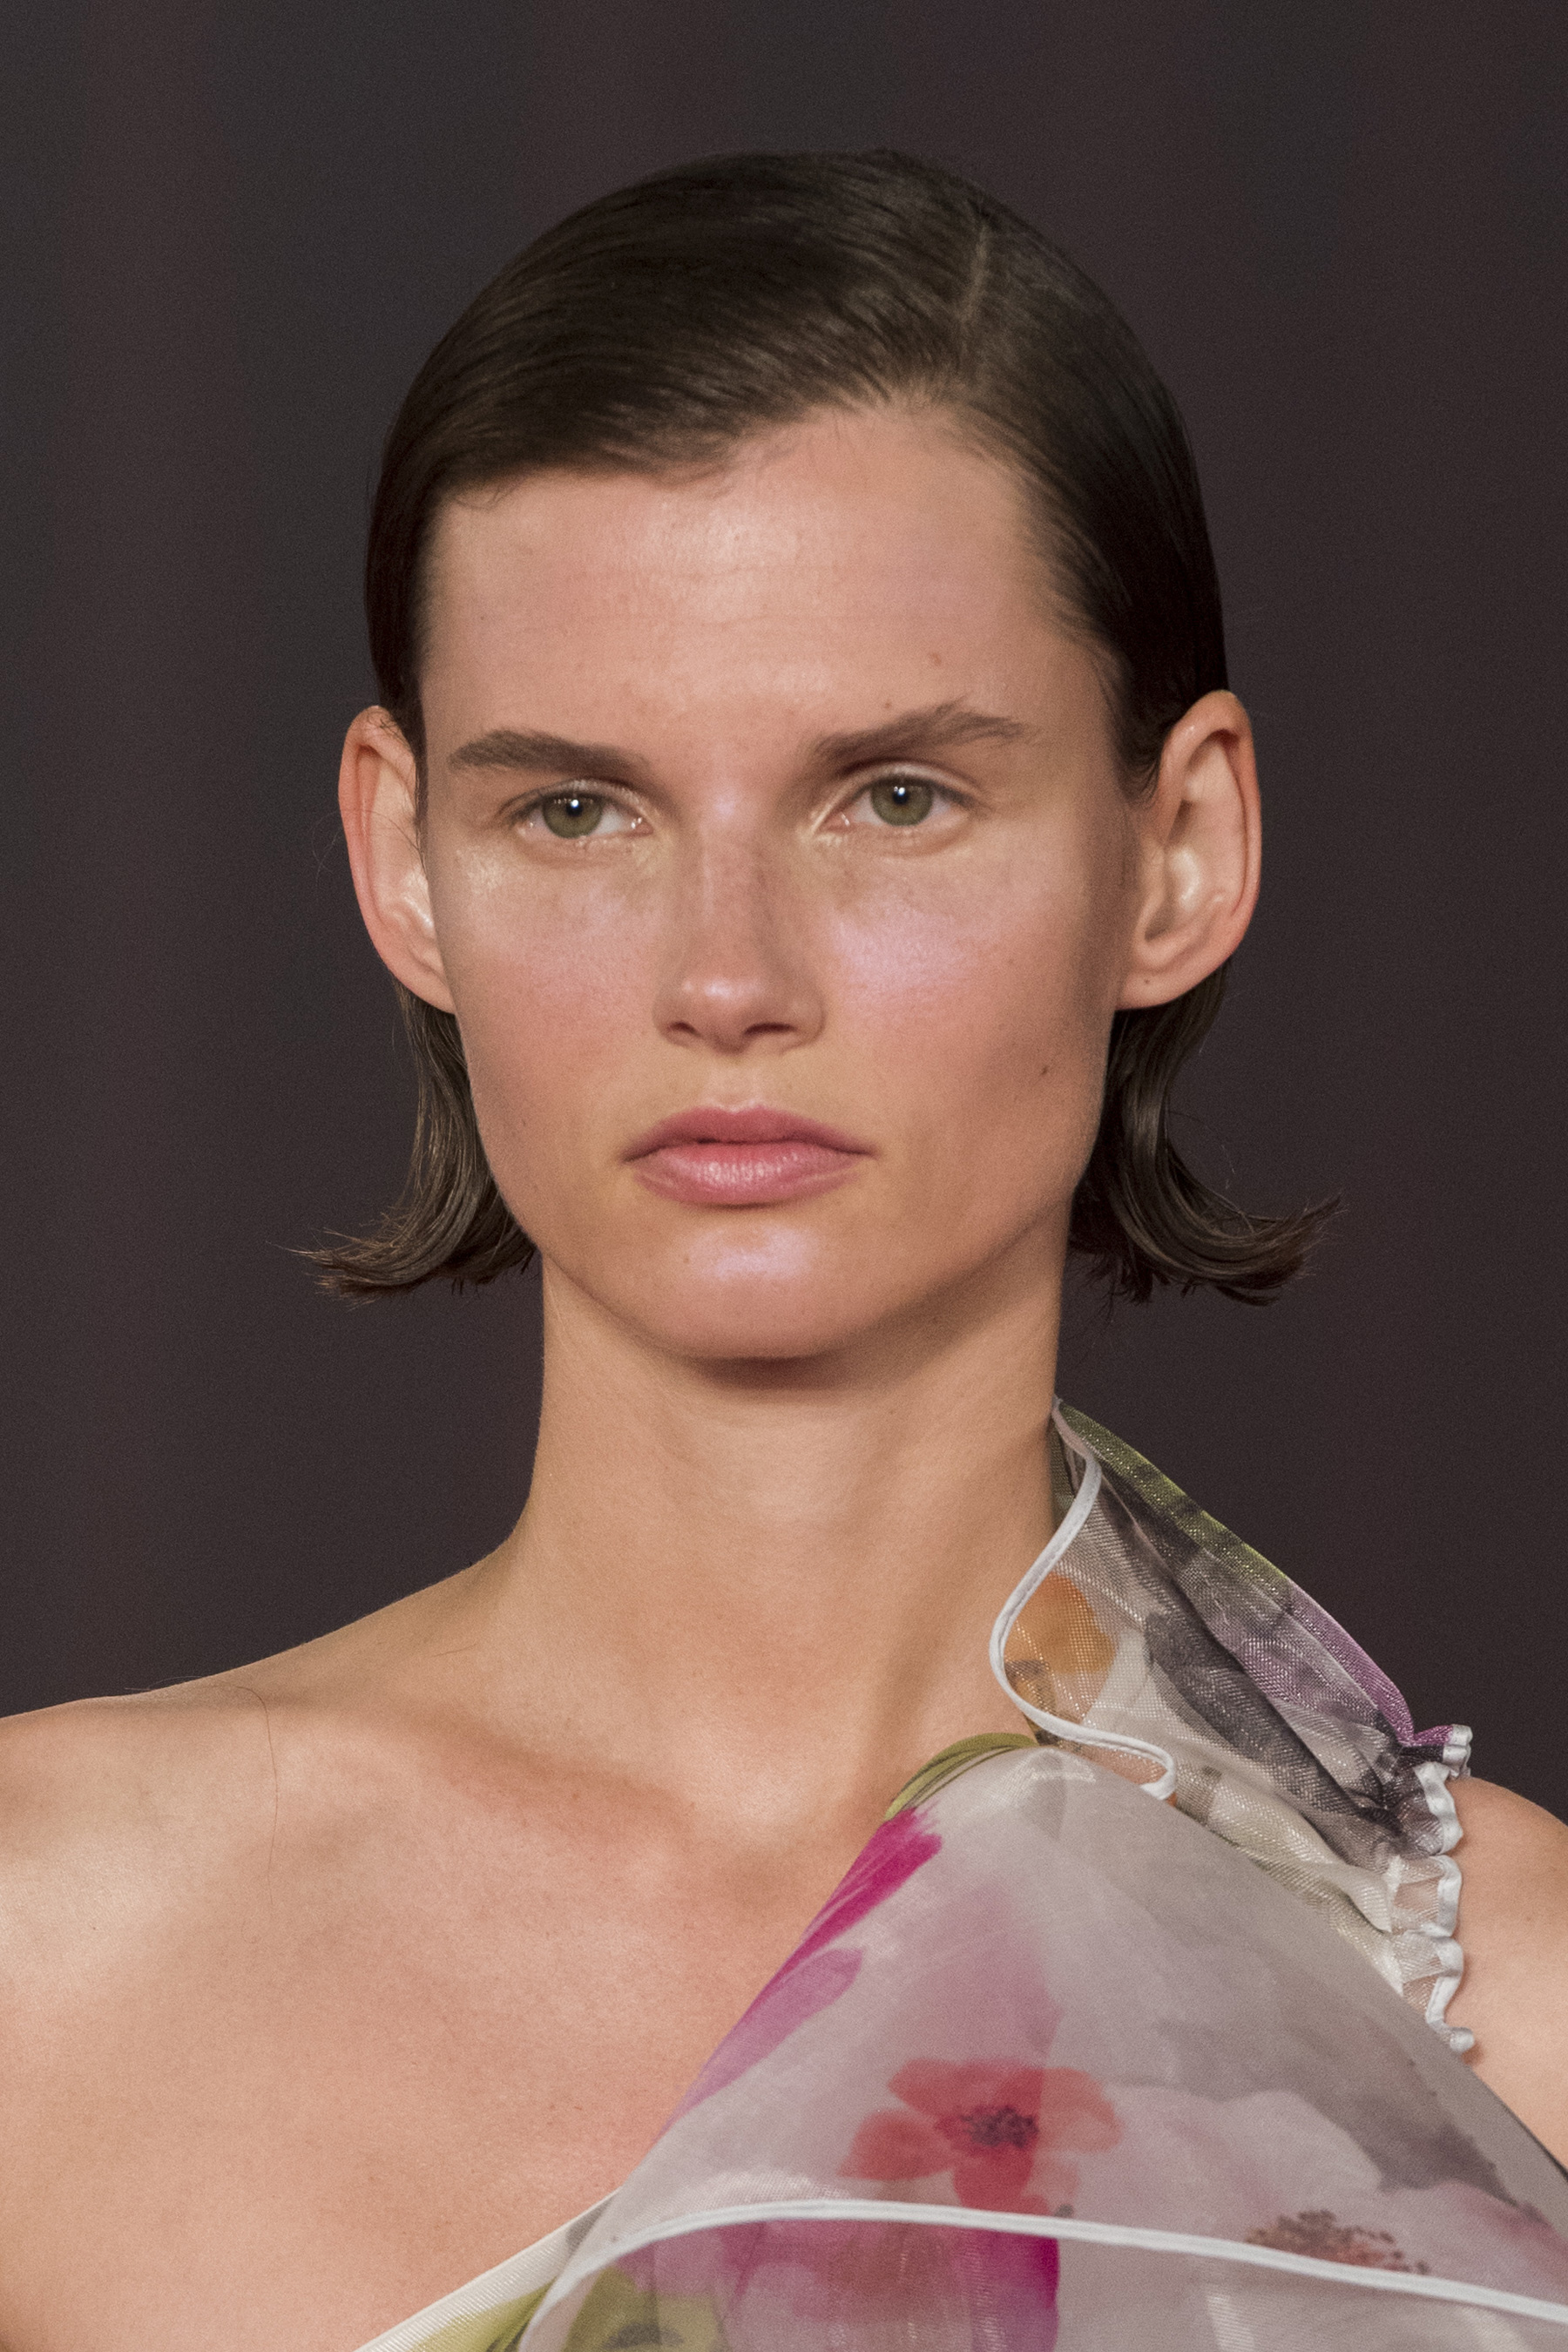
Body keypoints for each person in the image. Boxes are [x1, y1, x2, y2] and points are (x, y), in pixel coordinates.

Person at [1, 150, 1565, 2352]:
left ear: (1181, 851)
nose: (725, 978)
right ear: (406, 862)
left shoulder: (1513, 2028)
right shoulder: (43, 1961)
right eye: (576, 810)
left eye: (896, 798)